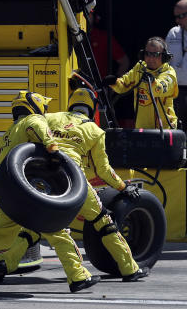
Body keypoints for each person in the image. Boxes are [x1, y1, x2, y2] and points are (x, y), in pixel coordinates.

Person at [0, 91, 100, 293]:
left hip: (2, 193)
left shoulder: (7, 135)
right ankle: (78, 277)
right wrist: (53, 150)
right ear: (35, 106)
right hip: (23, 194)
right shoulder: (33, 119)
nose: (45, 111)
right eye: (43, 107)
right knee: (58, 230)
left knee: (4, 236)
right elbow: (38, 129)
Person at [37, 88, 147, 283]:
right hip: (73, 179)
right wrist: (123, 187)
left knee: (34, 224)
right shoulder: (95, 130)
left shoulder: (50, 117)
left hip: (44, 177)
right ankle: (129, 269)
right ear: (93, 107)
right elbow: (103, 170)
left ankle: (3, 264)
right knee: (103, 222)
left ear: (70, 103)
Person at [107, 37, 178, 129]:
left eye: (155, 54)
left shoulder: (169, 73)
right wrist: (113, 82)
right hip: (142, 129)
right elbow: (123, 85)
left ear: (164, 57)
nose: (150, 58)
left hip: (164, 129)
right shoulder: (140, 68)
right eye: (147, 54)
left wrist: (152, 81)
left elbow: (159, 88)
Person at [165, 0, 187, 126]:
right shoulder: (173, 33)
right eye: (176, 17)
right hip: (177, 91)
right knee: (177, 129)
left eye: (181, 16)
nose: (178, 21)